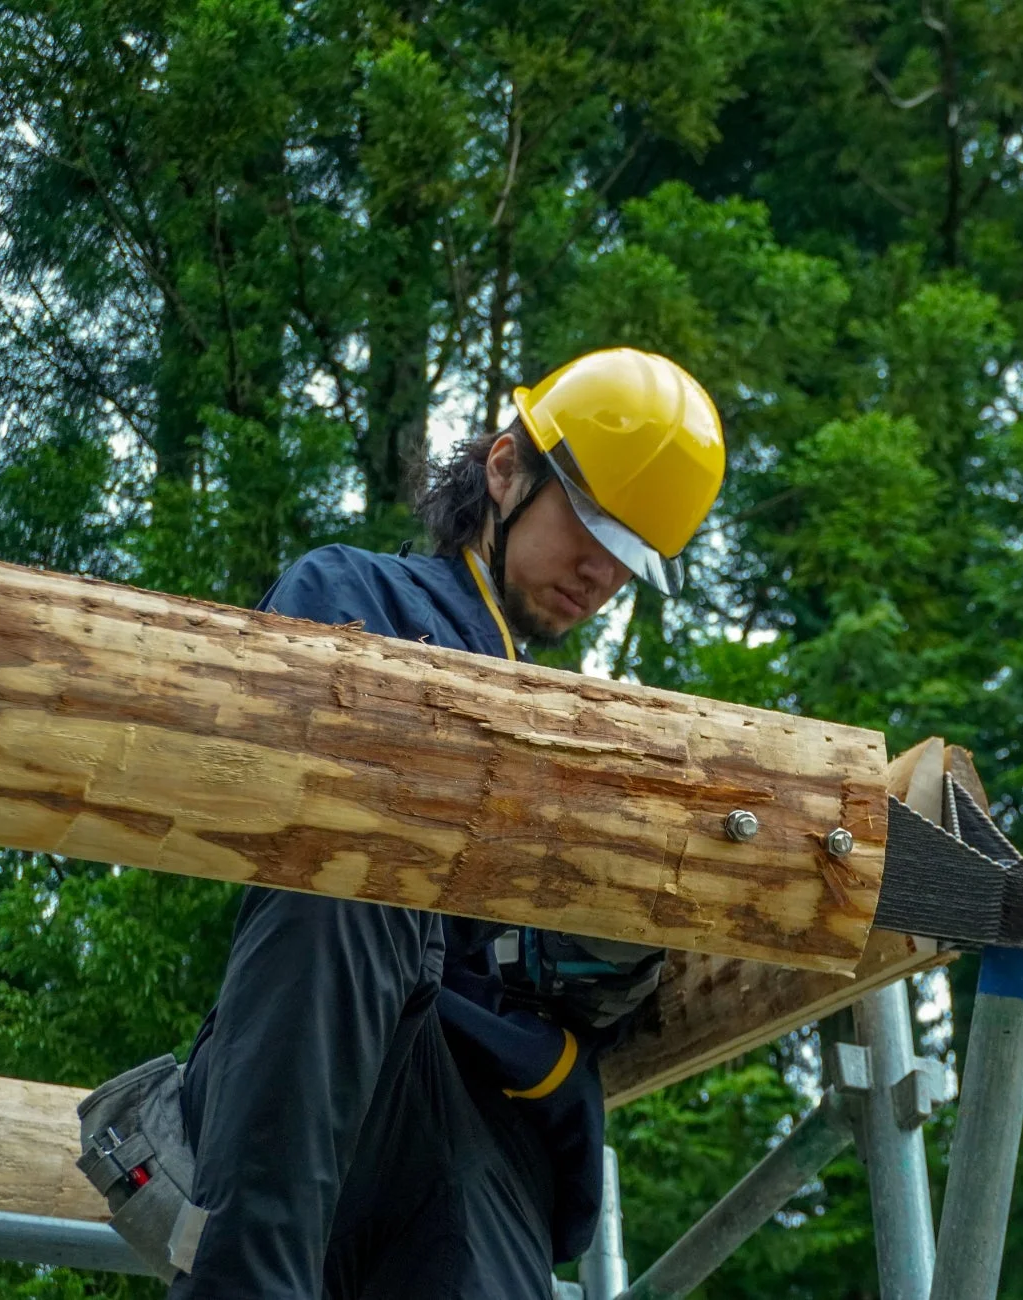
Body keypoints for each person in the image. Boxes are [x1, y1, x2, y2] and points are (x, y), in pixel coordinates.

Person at [168, 348, 726, 1299]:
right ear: (505, 468)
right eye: (587, 522)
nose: (599, 573)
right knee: (355, 863)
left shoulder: (591, 742)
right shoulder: (348, 594)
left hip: (483, 1125)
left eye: (627, 555)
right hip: (320, 1075)